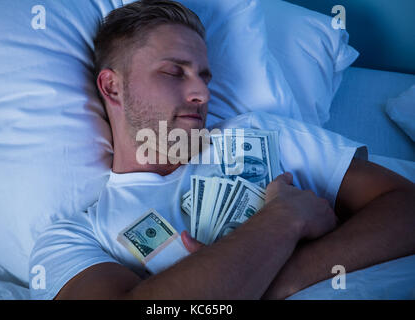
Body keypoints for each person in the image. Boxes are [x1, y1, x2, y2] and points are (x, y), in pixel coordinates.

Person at [29, 0, 415, 300]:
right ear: (112, 87)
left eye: (205, 75)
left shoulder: (260, 132)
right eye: (174, 72)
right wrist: (284, 218)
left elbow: (405, 206)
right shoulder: (76, 236)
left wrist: (282, 278)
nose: (202, 93)